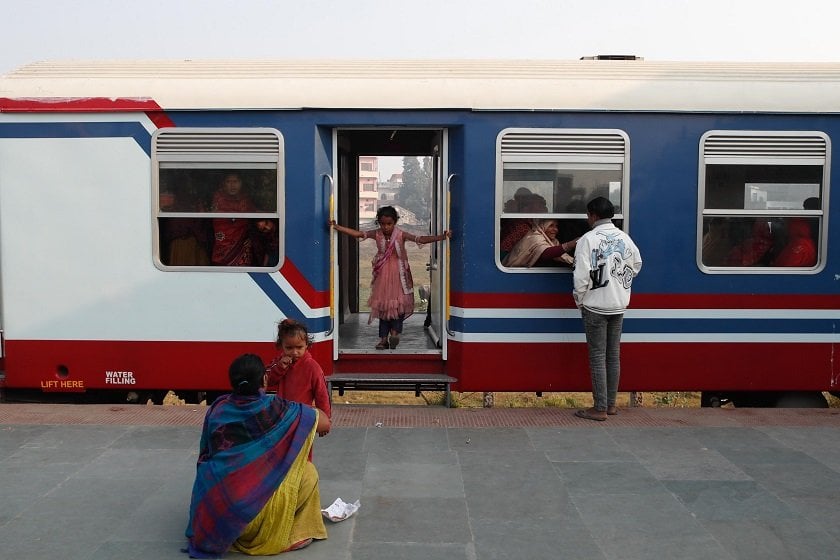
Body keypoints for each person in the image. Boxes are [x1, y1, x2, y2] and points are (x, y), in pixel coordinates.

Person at [184, 353, 330, 557]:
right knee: (306, 472)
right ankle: (293, 533)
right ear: (264, 379)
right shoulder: (277, 408)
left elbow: (206, 454)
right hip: (249, 519)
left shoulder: (218, 408)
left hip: (217, 515)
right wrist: (300, 411)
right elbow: (324, 422)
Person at [329, 206, 452, 350]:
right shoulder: (377, 234)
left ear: (395, 222)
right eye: (382, 224)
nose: (385, 227)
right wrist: (336, 226)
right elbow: (358, 234)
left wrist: (443, 237)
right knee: (383, 308)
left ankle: (394, 334)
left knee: (398, 307)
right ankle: (383, 340)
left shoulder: (401, 235)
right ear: (378, 223)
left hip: (399, 276)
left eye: (389, 224)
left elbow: (421, 239)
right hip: (382, 277)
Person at [572, 197, 642, 421]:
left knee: (597, 357)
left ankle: (599, 408)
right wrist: (621, 284)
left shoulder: (587, 239)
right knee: (613, 357)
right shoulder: (624, 237)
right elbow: (637, 264)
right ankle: (611, 405)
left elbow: (581, 276)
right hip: (619, 304)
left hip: (595, 305)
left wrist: (579, 299)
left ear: (592, 215)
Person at [265, 318, 331, 433]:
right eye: (289, 348)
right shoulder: (279, 362)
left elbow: (322, 395)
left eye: (299, 347)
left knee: (302, 449)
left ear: (307, 345)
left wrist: (325, 419)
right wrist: (280, 368)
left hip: (303, 418)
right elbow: (267, 381)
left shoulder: (312, 367)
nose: (294, 352)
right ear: (281, 346)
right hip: (282, 417)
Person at [211, 173, 257, 266]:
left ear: (241, 183)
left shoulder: (246, 201)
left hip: (241, 248)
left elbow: (254, 223)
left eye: (235, 181)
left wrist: (252, 237)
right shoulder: (217, 200)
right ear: (223, 184)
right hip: (221, 247)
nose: (232, 185)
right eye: (228, 182)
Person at [501, 219, 577, 267]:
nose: (555, 229)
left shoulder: (553, 241)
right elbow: (545, 253)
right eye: (551, 226)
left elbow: (562, 256)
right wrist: (570, 244)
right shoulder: (534, 237)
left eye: (556, 226)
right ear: (542, 226)